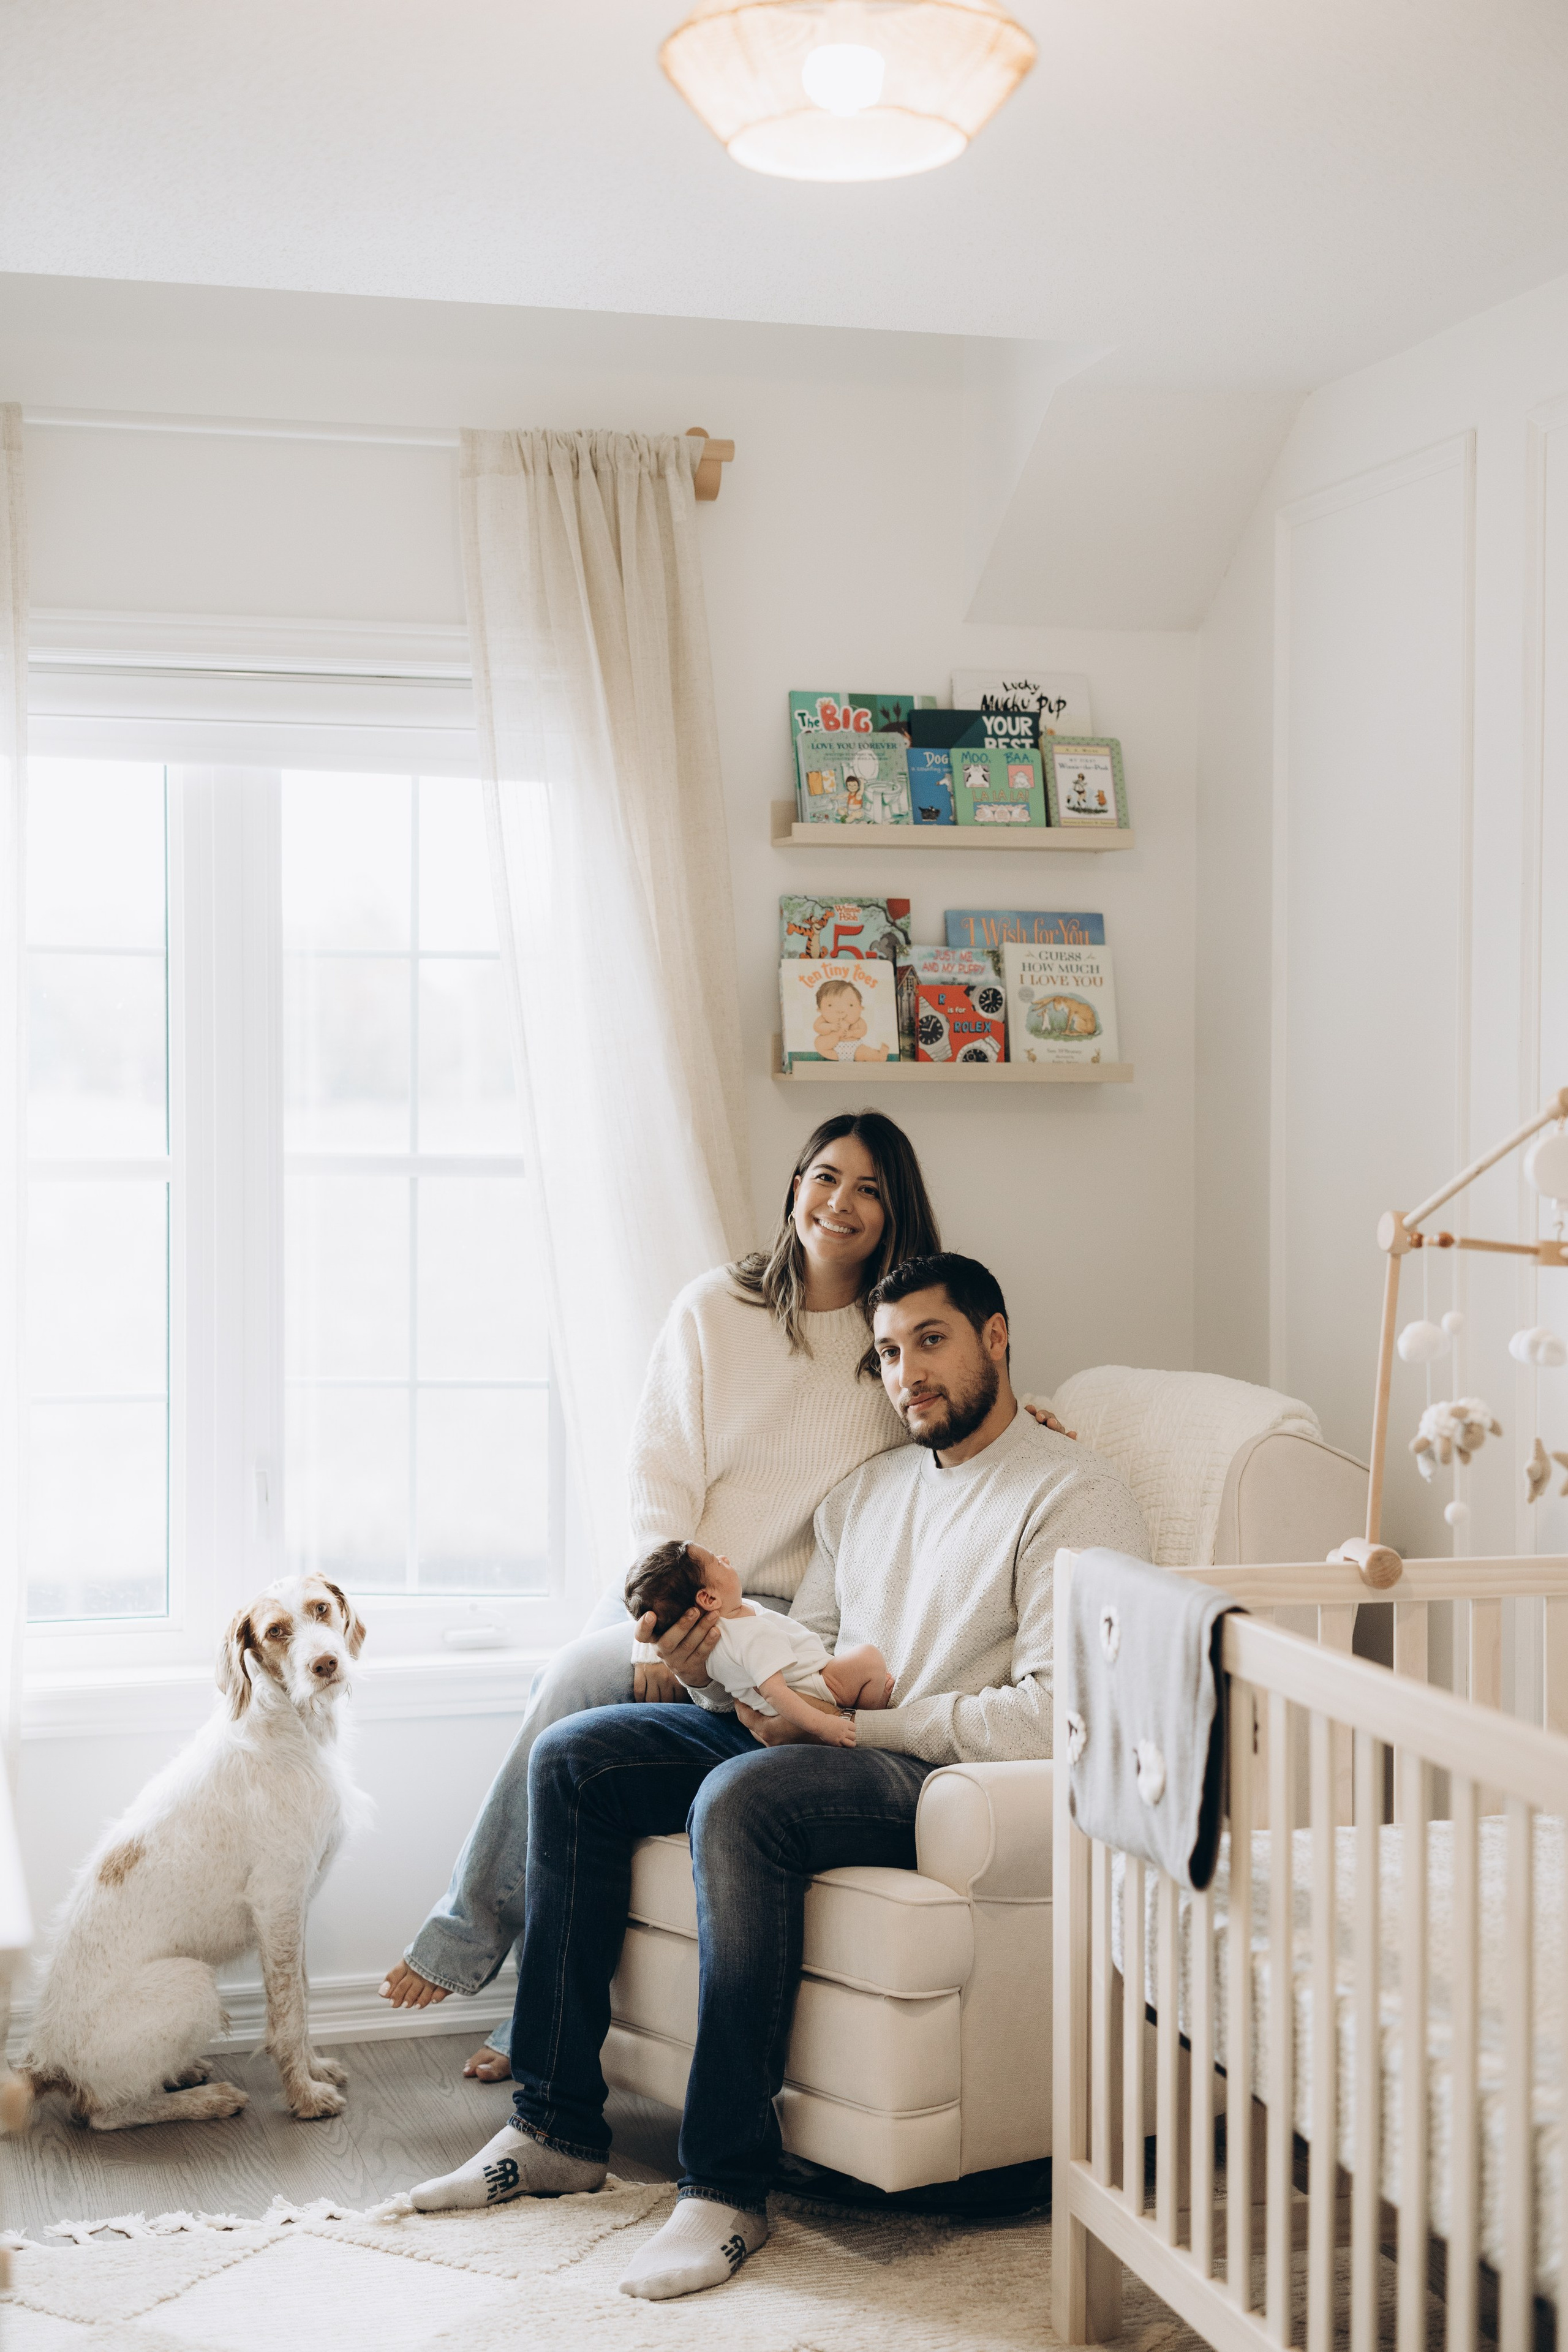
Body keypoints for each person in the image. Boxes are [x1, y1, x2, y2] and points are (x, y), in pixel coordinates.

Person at [401, 1252, 1149, 2304]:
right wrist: (727, 1683)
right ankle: (554, 2125)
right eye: (888, 1353)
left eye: (930, 1342)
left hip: (929, 1779)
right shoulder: (867, 1496)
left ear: (996, 1337)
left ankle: (724, 2187)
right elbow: (814, 1650)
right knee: (582, 1758)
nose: (907, 1374)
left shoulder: (1073, 1494)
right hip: (826, 1736)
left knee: (741, 1799)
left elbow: (1053, 1714)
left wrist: (863, 1725)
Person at [379, 1112, 996, 2075]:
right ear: (795, 1185)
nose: (840, 1204)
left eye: (869, 1190)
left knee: (575, 1718)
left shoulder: (885, 1349)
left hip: (782, 1625)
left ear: (895, 1213)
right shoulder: (716, 1309)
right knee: (573, 1687)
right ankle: (478, 1950)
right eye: (825, 1177)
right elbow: (657, 1473)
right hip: (674, 1588)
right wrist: (650, 1631)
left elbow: (947, 1418)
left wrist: (1026, 1409)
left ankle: (504, 1991)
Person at [623, 1539, 894, 1744]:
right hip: (816, 1686)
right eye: (717, 1563)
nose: (724, 1558)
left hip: (786, 1702)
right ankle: (871, 1711)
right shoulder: (749, 1634)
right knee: (869, 1659)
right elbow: (775, 1693)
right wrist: (827, 1725)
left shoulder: (719, 1632)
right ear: (708, 1599)